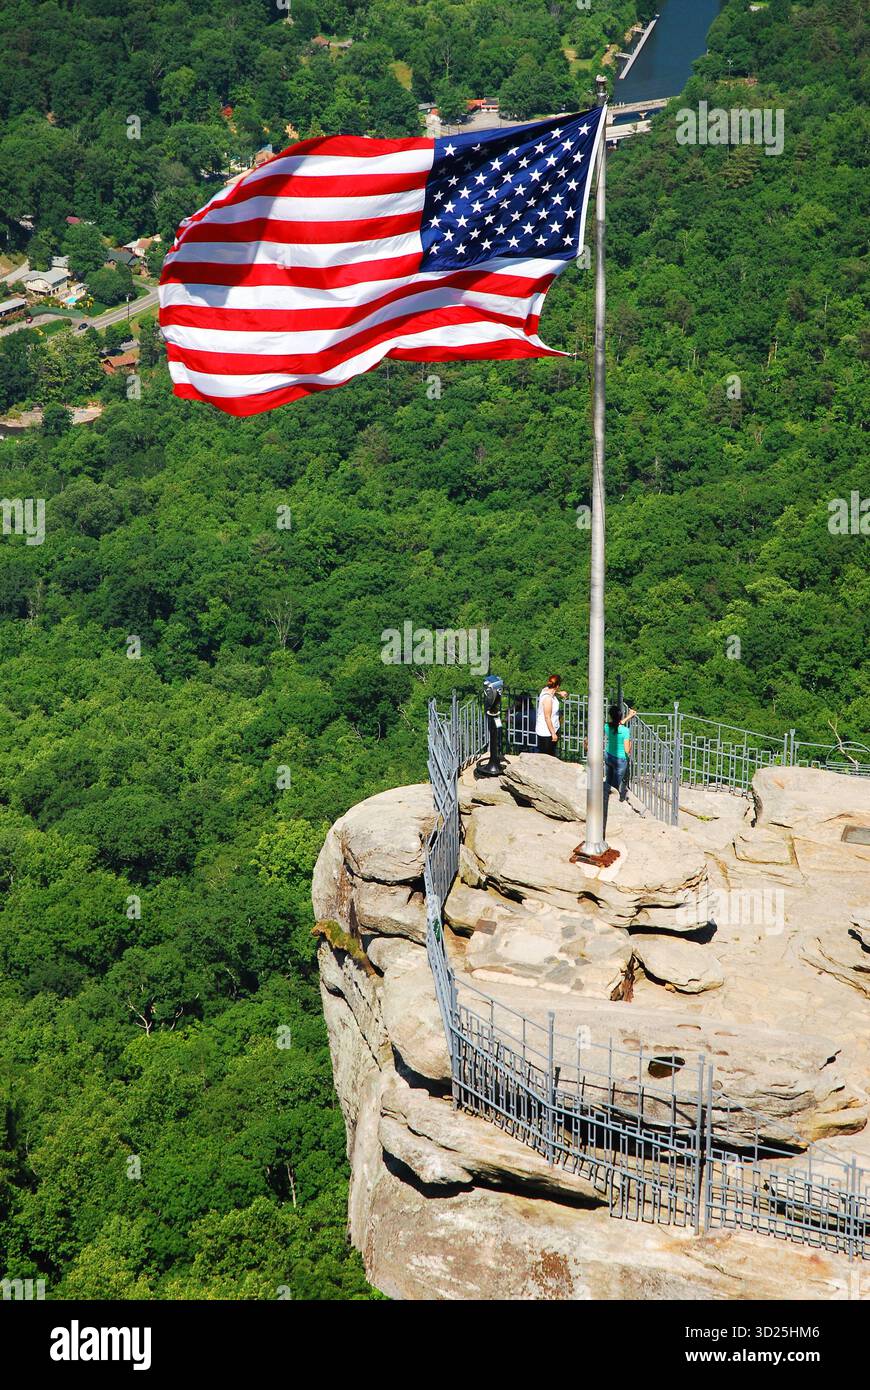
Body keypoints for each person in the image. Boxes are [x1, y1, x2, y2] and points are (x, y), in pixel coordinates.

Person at [605, 703, 635, 800]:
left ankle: (604, 799)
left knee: (608, 781)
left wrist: (629, 716)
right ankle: (614, 803)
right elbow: (627, 750)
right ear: (620, 716)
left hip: (608, 755)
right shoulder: (625, 731)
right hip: (621, 760)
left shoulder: (607, 726)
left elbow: (617, 724)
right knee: (615, 785)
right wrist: (631, 743)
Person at [535, 674, 567, 755]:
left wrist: (560, 693)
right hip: (547, 732)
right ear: (557, 686)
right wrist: (553, 733)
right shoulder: (548, 699)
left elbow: (551, 690)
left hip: (551, 729)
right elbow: (547, 717)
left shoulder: (545, 690)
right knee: (547, 756)